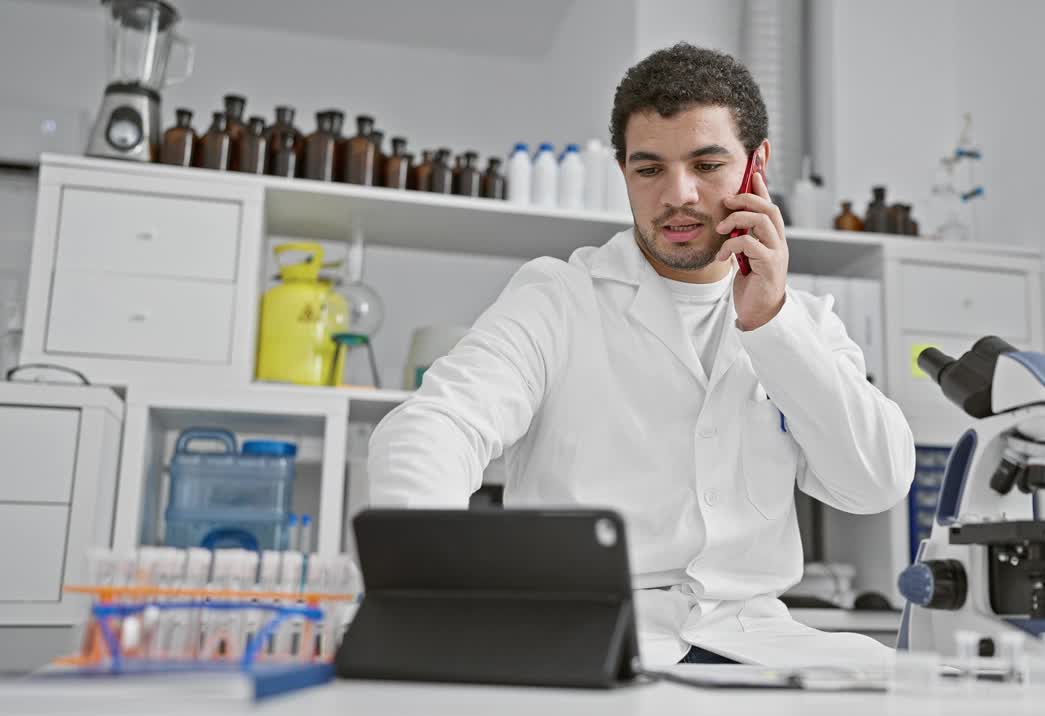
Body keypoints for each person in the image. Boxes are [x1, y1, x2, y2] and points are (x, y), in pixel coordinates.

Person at [368, 43, 915, 668]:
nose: (677, 196)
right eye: (649, 170)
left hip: (757, 642)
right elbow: (440, 423)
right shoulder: (559, 297)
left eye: (707, 164)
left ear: (756, 164)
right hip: (589, 636)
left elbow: (875, 482)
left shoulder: (806, 321)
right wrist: (422, 581)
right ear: (623, 169)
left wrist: (771, 324)